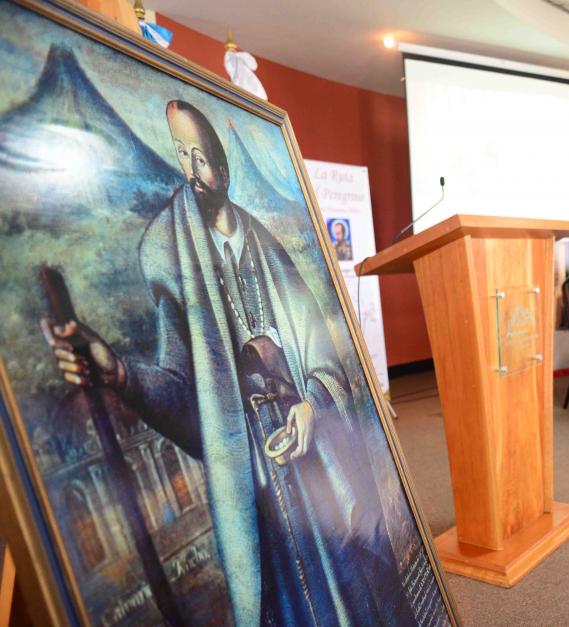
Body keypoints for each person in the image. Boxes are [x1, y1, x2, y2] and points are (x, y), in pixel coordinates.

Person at [41, 101, 414, 626]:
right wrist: (119, 373)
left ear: (225, 170)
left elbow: (323, 354)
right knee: (290, 599)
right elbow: (181, 392)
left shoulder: (268, 249)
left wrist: (310, 406)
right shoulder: (175, 257)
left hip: (309, 447)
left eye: (201, 156)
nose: (190, 170)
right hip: (256, 469)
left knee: (350, 575)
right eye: (180, 156)